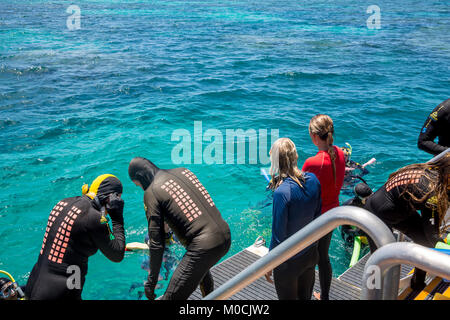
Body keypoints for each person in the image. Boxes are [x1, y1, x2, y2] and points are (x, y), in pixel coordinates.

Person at [128, 157, 231, 300]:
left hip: (204, 247)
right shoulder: (182, 171)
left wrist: (151, 283)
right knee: (201, 270)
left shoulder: (151, 192)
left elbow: (156, 244)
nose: (141, 188)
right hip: (224, 235)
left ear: (141, 178)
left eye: (138, 185)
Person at [25, 174, 126, 300]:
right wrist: (117, 218)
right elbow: (117, 253)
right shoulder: (94, 217)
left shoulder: (63, 202)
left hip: (33, 284)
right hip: (61, 292)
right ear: (110, 199)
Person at [364, 153, 450, 290]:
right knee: (380, 261)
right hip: (376, 214)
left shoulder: (435, 173)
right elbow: (433, 235)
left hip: (401, 210)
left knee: (424, 243)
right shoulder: (432, 192)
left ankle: (418, 283)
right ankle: (372, 294)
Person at [264, 138, 321, 300]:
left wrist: (268, 265)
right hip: (310, 254)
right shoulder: (313, 180)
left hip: (288, 264)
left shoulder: (282, 192)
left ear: (275, 161)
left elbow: (278, 237)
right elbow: (318, 218)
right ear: (295, 156)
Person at [301, 114, 346, 300]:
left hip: (315, 217)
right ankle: (325, 296)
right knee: (323, 256)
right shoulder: (340, 153)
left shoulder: (312, 163)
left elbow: (299, 189)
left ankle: (307, 295)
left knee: (310, 257)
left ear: (314, 136)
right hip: (333, 213)